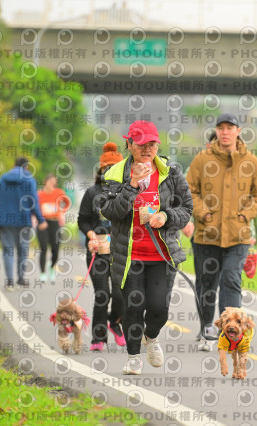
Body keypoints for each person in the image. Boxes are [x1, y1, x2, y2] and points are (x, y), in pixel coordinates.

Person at [101, 120, 192, 375]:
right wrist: (131, 186)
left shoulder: (171, 173)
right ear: (129, 144)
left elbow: (186, 207)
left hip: (161, 254)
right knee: (133, 307)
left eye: (152, 144)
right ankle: (133, 357)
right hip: (129, 256)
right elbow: (109, 211)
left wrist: (166, 216)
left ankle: (151, 336)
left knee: (159, 309)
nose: (147, 149)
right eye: (141, 144)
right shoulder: (114, 174)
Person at [186, 113, 257, 350]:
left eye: (230, 128)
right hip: (206, 235)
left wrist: (245, 215)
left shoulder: (251, 161)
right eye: (221, 128)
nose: (225, 132)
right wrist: (203, 214)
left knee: (231, 280)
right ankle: (207, 329)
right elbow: (189, 191)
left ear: (238, 131)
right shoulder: (202, 159)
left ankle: (231, 334)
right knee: (206, 284)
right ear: (217, 131)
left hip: (238, 235)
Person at [78, 143, 126, 352]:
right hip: (98, 251)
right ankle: (98, 338)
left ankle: (114, 322)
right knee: (102, 294)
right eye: (108, 168)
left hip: (121, 251)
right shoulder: (92, 193)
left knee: (120, 294)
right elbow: (82, 220)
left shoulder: (127, 192)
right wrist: (91, 236)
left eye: (116, 168)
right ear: (101, 169)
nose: (111, 171)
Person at [0, 157, 47, 291]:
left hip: (4, 221)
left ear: (14, 165)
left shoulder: (2, 179)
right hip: (23, 220)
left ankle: (10, 282)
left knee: (8, 250)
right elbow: (33, 202)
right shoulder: (29, 180)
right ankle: (21, 279)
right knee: (23, 250)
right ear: (26, 167)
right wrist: (41, 220)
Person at [37, 174, 71, 282]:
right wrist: (36, 218)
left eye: (54, 182)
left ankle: (52, 268)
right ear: (45, 182)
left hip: (55, 222)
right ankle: (42, 273)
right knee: (43, 248)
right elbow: (34, 207)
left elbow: (67, 202)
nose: (53, 184)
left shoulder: (59, 192)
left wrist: (62, 212)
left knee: (55, 249)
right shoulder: (39, 194)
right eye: (50, 182)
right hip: (43, 223)